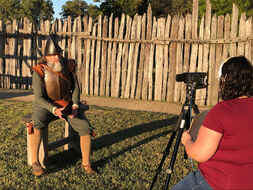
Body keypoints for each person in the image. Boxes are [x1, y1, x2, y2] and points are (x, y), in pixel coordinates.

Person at [171, 55, 253, 190]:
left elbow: (199, 154)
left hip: (219, 181)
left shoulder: (222, 111)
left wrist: (187, 141)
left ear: (225, 80)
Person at [30, 35, 96, 176]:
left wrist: (75, 106)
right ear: (46, 56)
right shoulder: (38, 71)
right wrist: (53, 109)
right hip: (46, 105)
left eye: (57, 54)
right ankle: (35, 161)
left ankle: (86, 164)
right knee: (37, 122)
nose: (55, 58)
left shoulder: (68, 65)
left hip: (66, 104)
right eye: (52, 55)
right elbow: (39, 98)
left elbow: (76, 88)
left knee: (84, 126)